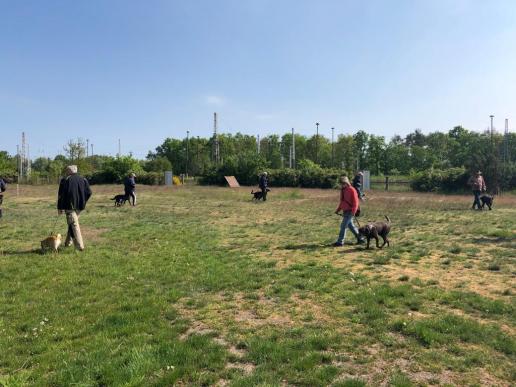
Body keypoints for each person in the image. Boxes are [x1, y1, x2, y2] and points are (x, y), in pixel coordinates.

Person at [57, 165, 92, 251]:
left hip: (70, 207)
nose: (66, 173)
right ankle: (68, 243)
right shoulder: (83, 179)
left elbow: (61, 195)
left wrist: (60, 207)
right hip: (80, 207)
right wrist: (83, 201)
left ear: (69, 171)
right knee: (72, 223)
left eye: (66, 171)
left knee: (74, 225)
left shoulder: (65, 180)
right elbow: (89, 192)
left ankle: (80, 246)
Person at [334, 176, 365, 247]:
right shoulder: (342, 190)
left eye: (343, 183)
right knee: (351, 226)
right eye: (341, 183)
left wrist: (353, 212)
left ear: (347, 182)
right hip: (345, 211)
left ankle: (340, 242)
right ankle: (361, 238)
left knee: (343, 226)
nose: (342, 185)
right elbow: (342, 201)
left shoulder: (352, 190)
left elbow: (356, 202)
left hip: (350, 211)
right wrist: (338, 210)